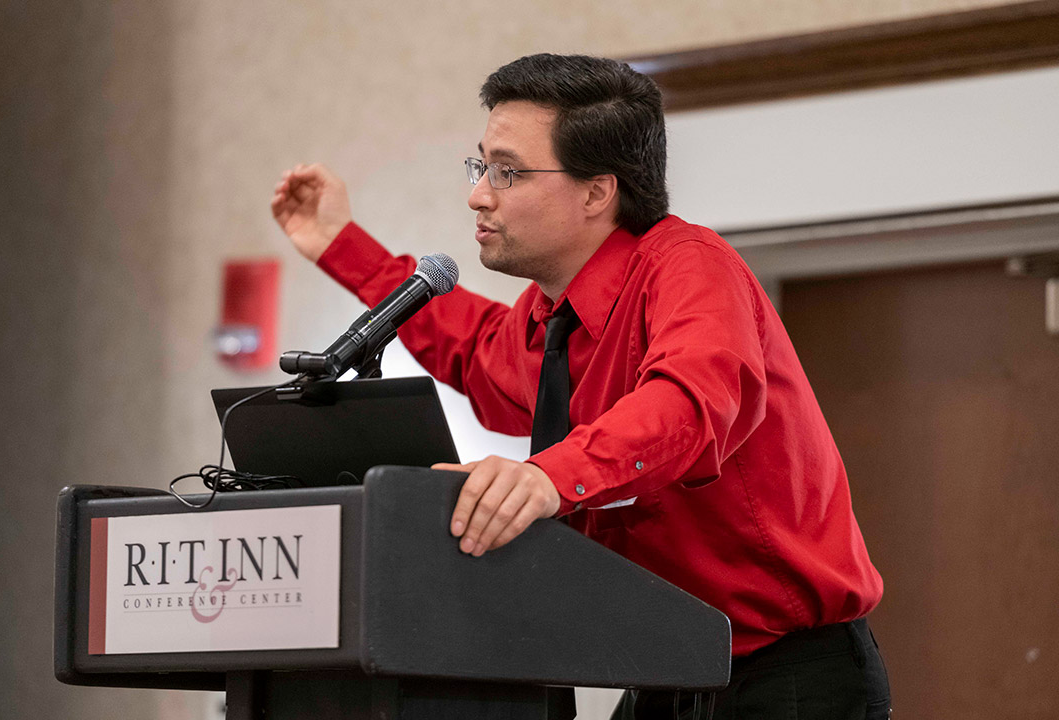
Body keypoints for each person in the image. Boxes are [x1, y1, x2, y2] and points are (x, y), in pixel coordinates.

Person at [271, 53, 891, 720]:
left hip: (785, 675)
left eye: (507, 171)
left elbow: (690, 402)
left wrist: (546, 479)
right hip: (667, 674)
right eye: (480, 166)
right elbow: (473, 346)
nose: (479, 194)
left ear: (597, 191)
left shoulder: (691, 265)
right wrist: (339, 243)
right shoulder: (551, 322)